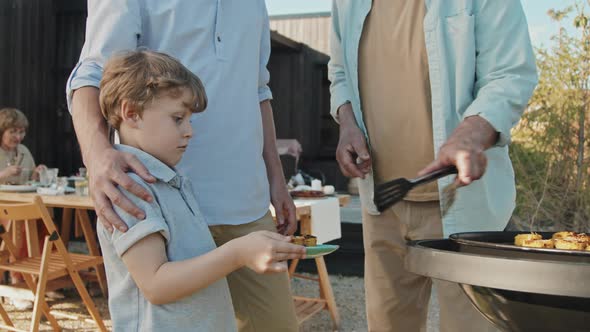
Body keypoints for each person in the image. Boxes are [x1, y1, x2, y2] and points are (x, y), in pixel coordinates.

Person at [66, 2, 300, 330]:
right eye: (180, 119)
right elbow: (93, 73)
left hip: (247, 202)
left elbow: (258, 90)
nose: (188, 127)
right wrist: (97, 156)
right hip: (162, 202)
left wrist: (276, 178)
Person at [329, 1, 538, 331]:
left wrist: (471, 133)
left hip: (465, 206)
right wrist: (347, 123)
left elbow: (510, 72)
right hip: (382, 204)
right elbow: (339, 72)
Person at [0, 108, 45, 185]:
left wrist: (38, 174)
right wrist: (3, 174)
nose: (18, 137)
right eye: (12, 132)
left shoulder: (24, 150)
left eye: (21, 132)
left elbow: (31, 180)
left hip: (22, 197)